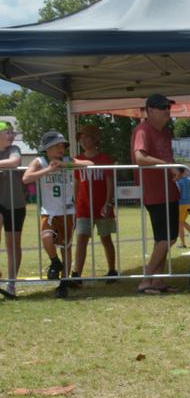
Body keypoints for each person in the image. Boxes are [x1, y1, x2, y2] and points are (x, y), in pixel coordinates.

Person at [131, 93, 180, 294]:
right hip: (154, 191)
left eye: (168, 107)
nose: (167, 111)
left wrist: (175, 167)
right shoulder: (143, 130)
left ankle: (157, 281)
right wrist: (168, 165)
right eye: (162, 107)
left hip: (169, 190)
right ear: (149, 110)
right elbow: (140, 157)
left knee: (166, 238)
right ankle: (146, 280)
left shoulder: (165, 132)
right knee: (166, 238)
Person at [22, 130, 79, 298]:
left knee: (66, 247)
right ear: (47, 148)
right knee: (46, 237)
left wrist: (66, 165)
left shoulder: (68, 160)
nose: (61, 149)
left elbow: (88, 163)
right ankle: (55, 262)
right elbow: (26, 178)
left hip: (67, 211)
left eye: (63, 146)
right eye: (57, 146)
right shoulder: (40, 161)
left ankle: (64, 283)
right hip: (49, 211)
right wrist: (48, 169)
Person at [70, 124, 117, 285]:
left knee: (105, 238)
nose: (83, 141)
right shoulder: (78, 159)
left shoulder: (104, 159)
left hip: (102, 206)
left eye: (86, 137)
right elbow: (76, 182)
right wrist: (75, 201)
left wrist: (108, 202)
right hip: (83, 206)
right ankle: (77, 275)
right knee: (82, 238)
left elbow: (110, 182)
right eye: (81, 138)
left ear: (95, 139)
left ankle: (112, 271)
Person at [0, 120, 25, 299]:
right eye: (7, 132)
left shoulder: (14, 149)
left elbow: (15, 162)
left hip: (15, 203)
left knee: (13, 245)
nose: (11, 135)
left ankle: (11, 284)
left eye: (12, 132)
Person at [173, 167, 190, 250]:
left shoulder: (179, 181)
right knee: (182, 222)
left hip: (181, 204)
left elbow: (178, 192)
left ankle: (183, 243)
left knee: (180, 223)